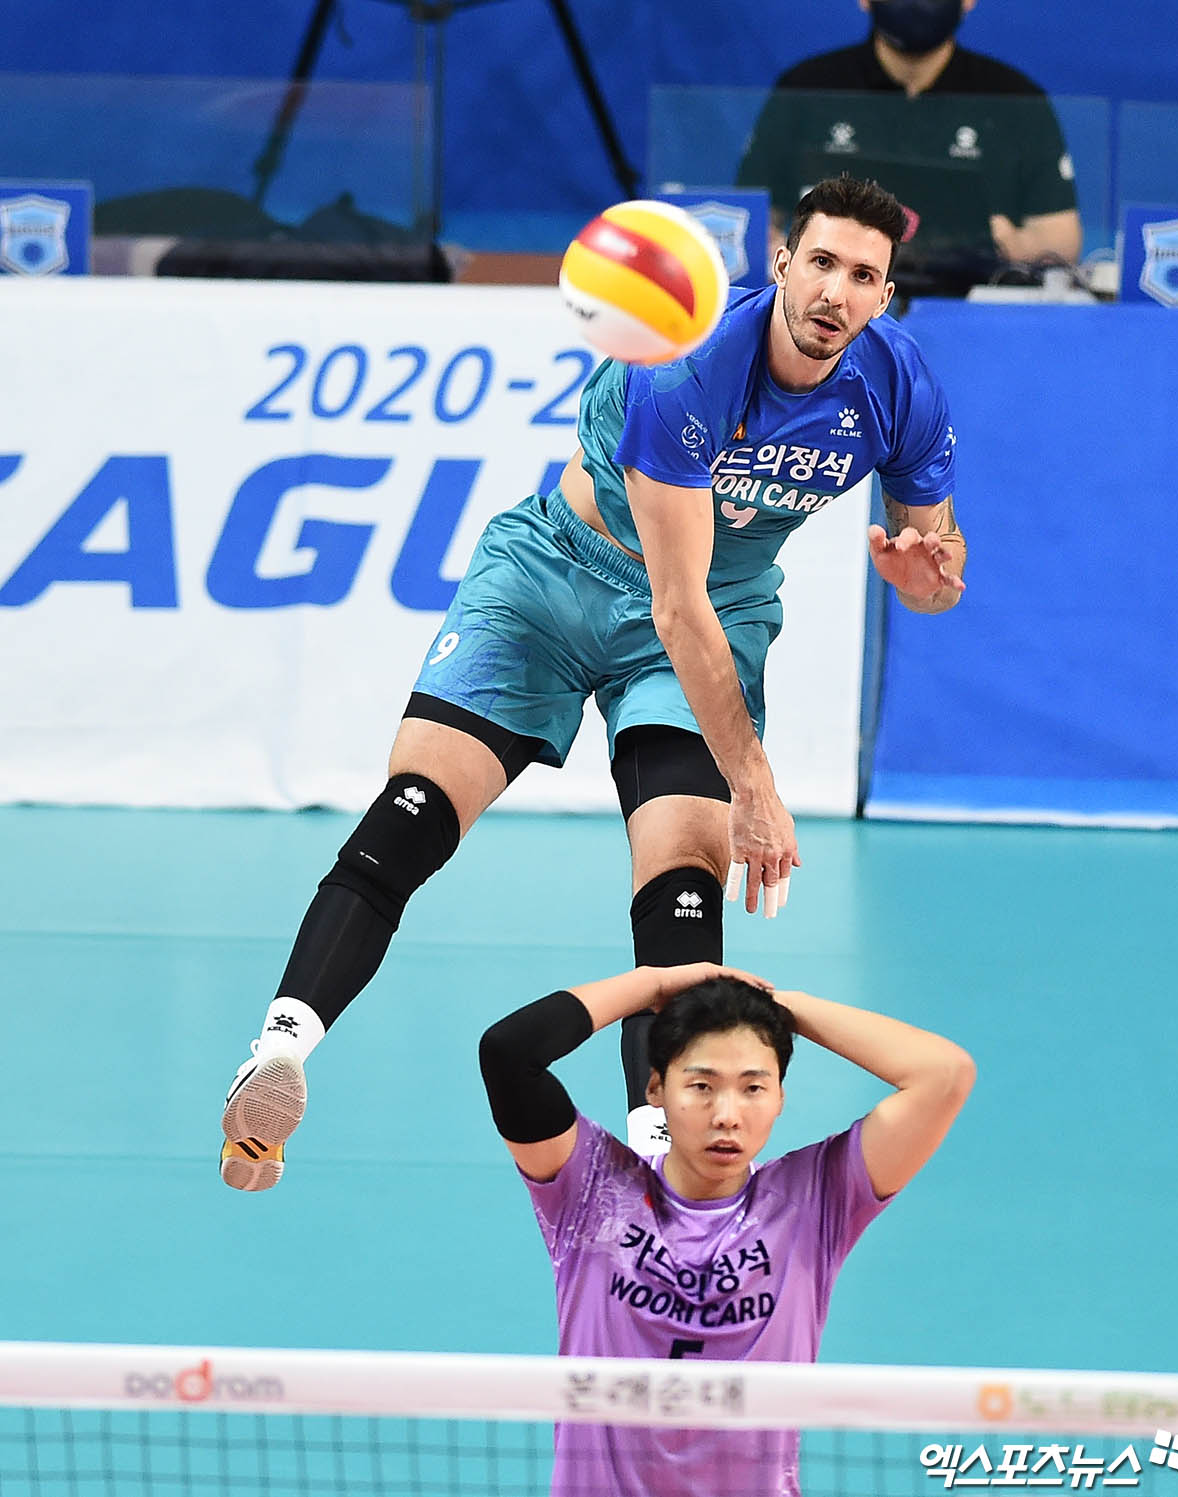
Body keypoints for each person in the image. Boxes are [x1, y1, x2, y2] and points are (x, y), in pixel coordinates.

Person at [219, 173, 966, 1191]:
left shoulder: (899, 387)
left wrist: (928, 584)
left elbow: (937, 566)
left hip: (718, 608)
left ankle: (656, 1148)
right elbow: (674, 605)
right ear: (782, 261)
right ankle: (279, 1050)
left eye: (864, 276)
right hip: (555, 579)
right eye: (822, 262)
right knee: (418, 806)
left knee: (684, 874)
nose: (837, 291)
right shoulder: (687, 368)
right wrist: (755, 782)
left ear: (886, 294)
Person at [478, 961, 976, 1497]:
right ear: (656, 1088)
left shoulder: (816, 1200)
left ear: (781, 1098)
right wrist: (652, 984)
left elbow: (944, 1074)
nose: (727, 1115)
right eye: (702, 1086)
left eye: (753, 1088)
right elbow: (509, 1053)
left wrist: (775, 1006)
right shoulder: (592, 1188)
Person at [737, 0, 1082, 273]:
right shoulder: (807, 90)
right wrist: (777, 247)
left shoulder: (1015, 100)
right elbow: (750, 216)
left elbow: (1062, 238)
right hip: (834, 296)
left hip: (968, 307)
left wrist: (1006, 242)